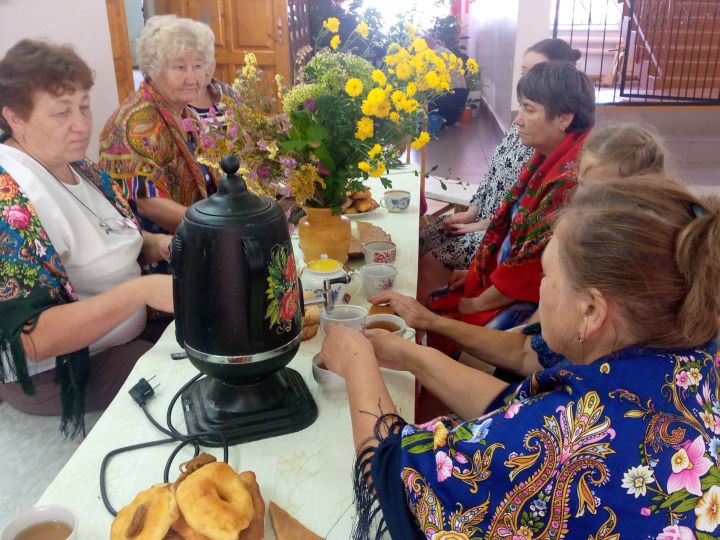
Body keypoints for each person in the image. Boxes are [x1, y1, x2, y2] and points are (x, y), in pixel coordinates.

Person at [321, 175, 720, 539]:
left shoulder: (573, 444)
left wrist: (358, 362)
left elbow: (395, 473)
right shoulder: (691, 364)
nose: (539, 291)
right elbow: (514, 411)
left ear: (592, 311)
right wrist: (409, 354)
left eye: (547, 276)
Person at [379, 122, 669, 379]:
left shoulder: (619, 278)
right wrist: (431, 324)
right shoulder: (585, 233)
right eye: (581, 185)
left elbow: (531, 352)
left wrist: (435, 333)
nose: (582, 199)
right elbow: (531, 342)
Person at [0, 40, 174, 435]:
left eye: (83, 105)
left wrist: (157, 245)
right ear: (15, 118)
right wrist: (140, 293)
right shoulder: (11, 197)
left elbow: (111, 240)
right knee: (186, 381)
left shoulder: (79, 167)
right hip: (61, 370)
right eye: (62, 112)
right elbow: (33, 338)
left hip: (121, 338)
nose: (81, 123)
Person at [427, 61, 595, 342]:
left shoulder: (569, 181)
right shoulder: (551, 154)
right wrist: (476, 271)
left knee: (446, 333)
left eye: (529, 109)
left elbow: (531, 269)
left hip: (536, 302)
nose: (518, 119)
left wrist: (478, 303)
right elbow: (514, 232)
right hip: (509, 279)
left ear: (564, 118)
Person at [99, 15, 219, 237]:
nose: (192, 78)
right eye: (180, 67)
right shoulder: (136, 121)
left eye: (198, 66)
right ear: (154, 69)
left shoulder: (187, 115)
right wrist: (218, 228)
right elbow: (148, 205)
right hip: (158, 249)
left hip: (197, 233)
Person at [188, 23, 236, 123]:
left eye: (209, 58)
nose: (205, 68)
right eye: (198, 62)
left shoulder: (226, 92)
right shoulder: (174, 101)